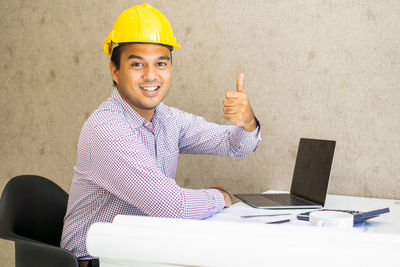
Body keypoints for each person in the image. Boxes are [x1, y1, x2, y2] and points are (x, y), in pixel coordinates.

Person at [61, 3, 261, 266]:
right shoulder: (107, 130)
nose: (151, 75)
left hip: (141, 252)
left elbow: (232, 145)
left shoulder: (166, 118)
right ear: (115, 70)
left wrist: (247, 122)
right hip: (97, 260)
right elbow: (174, 208)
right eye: (137, 64)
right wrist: (219, 197)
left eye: (161, 63)